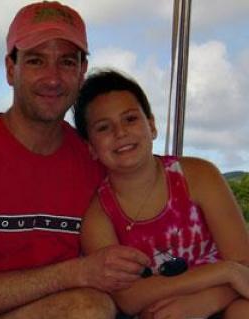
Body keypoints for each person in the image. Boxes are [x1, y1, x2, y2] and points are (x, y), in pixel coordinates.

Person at [0, 2, 150, 319]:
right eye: (36, 61)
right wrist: (79, 273)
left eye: (66, 62)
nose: (52, 78)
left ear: (82, 71)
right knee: (88, 308)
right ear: (9, 69)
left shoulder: (94, 157)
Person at [74, 69, 249, 319]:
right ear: (90, 147)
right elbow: (129, 298)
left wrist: (206, 301)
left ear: (152, 125)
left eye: (130, 119)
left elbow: (243, 264)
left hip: (223, 299)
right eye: (104, 127)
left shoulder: (198, 176)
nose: (120, 132)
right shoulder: (98, 218)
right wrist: (225, 272)